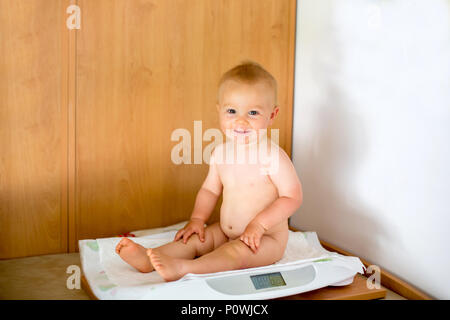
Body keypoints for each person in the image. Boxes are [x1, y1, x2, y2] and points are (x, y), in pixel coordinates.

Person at [115, 60, 303, 281]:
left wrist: (259, 225)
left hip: (265, 239)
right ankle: (150, 259)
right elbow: (209, 191)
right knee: (195, 240)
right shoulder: (221, 153)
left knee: (233, 253)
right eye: (231, 111)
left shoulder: (273, 157)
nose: (240, 121)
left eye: (253, 113)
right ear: (219, 111)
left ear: (272, 115)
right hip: (226, 231)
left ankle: (184, 269)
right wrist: (197, 219)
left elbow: (292, 197)